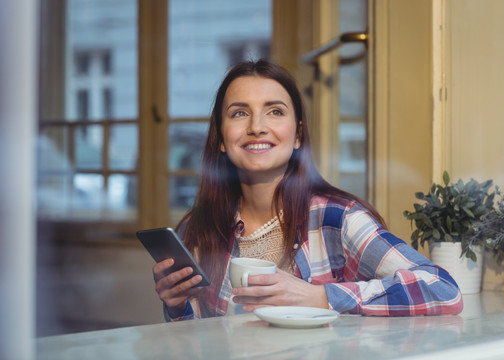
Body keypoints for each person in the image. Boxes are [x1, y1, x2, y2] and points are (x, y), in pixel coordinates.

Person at [152, 59, 463, 321]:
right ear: (221, 138)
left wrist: (320, 296)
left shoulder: (337, 219)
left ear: (298, 135)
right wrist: (176, 306)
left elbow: (443, 289)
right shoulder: (200, 229)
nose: (257, 126)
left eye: (274, 111)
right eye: (239, 113)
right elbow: (196, 345)